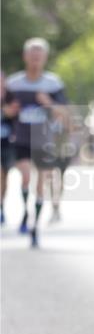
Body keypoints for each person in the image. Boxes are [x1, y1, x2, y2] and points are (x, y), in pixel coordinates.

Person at [7, 38, 69, 247]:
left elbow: (65, 112)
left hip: (44, 139)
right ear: (25, 57)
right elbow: (5, 110)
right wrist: (8, 111)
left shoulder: (53, 84)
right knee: (25, 179)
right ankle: (25, 212)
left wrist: (49, 103)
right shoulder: (13, 84)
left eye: (39, 56)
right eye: (32, 55)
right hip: (21, 138)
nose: (35, 60)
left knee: (41, 184)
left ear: (44, 58)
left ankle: (35, 226)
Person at [1, 70, 19, 225]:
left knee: (4, 178)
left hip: (7, 142)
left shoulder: (11, 97)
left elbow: (16, 113)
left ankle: (1, 205)